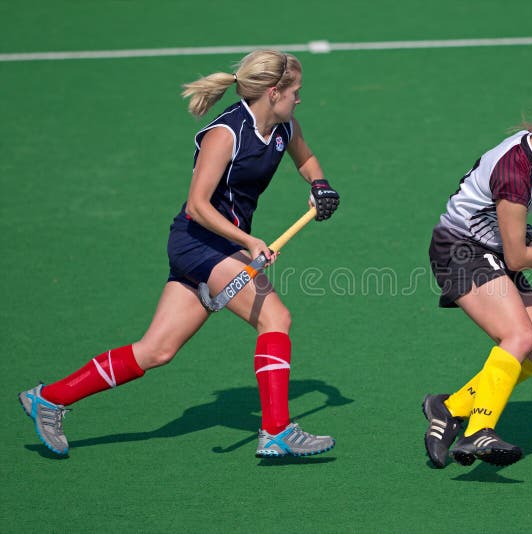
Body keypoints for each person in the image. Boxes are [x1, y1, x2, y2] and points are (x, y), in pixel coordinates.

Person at [18, 49, 340, 459]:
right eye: (295, 91)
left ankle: (50, 398)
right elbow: (197, 206)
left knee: (157, 350)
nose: (299, 99)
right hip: (200, 241)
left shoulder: (282, 126)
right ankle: (276, 430)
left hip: (220, 244)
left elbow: (306, 158)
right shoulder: (226, 134)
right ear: (273, 91)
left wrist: (320, 185)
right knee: (276, 317)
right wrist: (247, 242)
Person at [423, 92, 532, 468]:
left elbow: (506, 229)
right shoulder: (516, 170)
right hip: (460, 250)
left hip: (489, 249)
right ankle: (477, 431)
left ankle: (449, 408)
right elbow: (518, 258)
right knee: (519, 337)